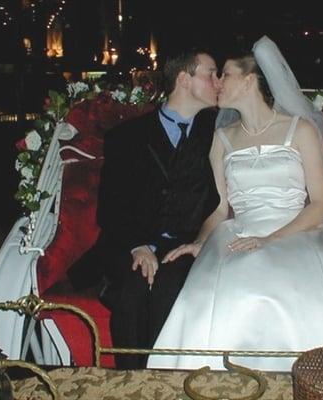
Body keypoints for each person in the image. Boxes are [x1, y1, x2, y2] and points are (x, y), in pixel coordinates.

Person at [146, 36, 323, 372]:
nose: (217, 83)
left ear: (249, 80)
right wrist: (198, 242)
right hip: (240, 233)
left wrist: (271, 239)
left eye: (224, 74)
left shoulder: (300, 131)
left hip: (300, 230)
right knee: (234, 291)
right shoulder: (221, 139)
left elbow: (321, 203)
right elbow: (219, 207)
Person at [78, 49, 221, 369]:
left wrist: (199, 241)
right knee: (131, 291)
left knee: (168, 290)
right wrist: (138, 246)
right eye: (211, 73)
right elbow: (111, 208)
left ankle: (163, 381)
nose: (218, 82)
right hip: (130, 239)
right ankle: (131, 384)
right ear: (184, 79)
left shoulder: (216, 134)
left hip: (186, 244)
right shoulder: (125, 137)